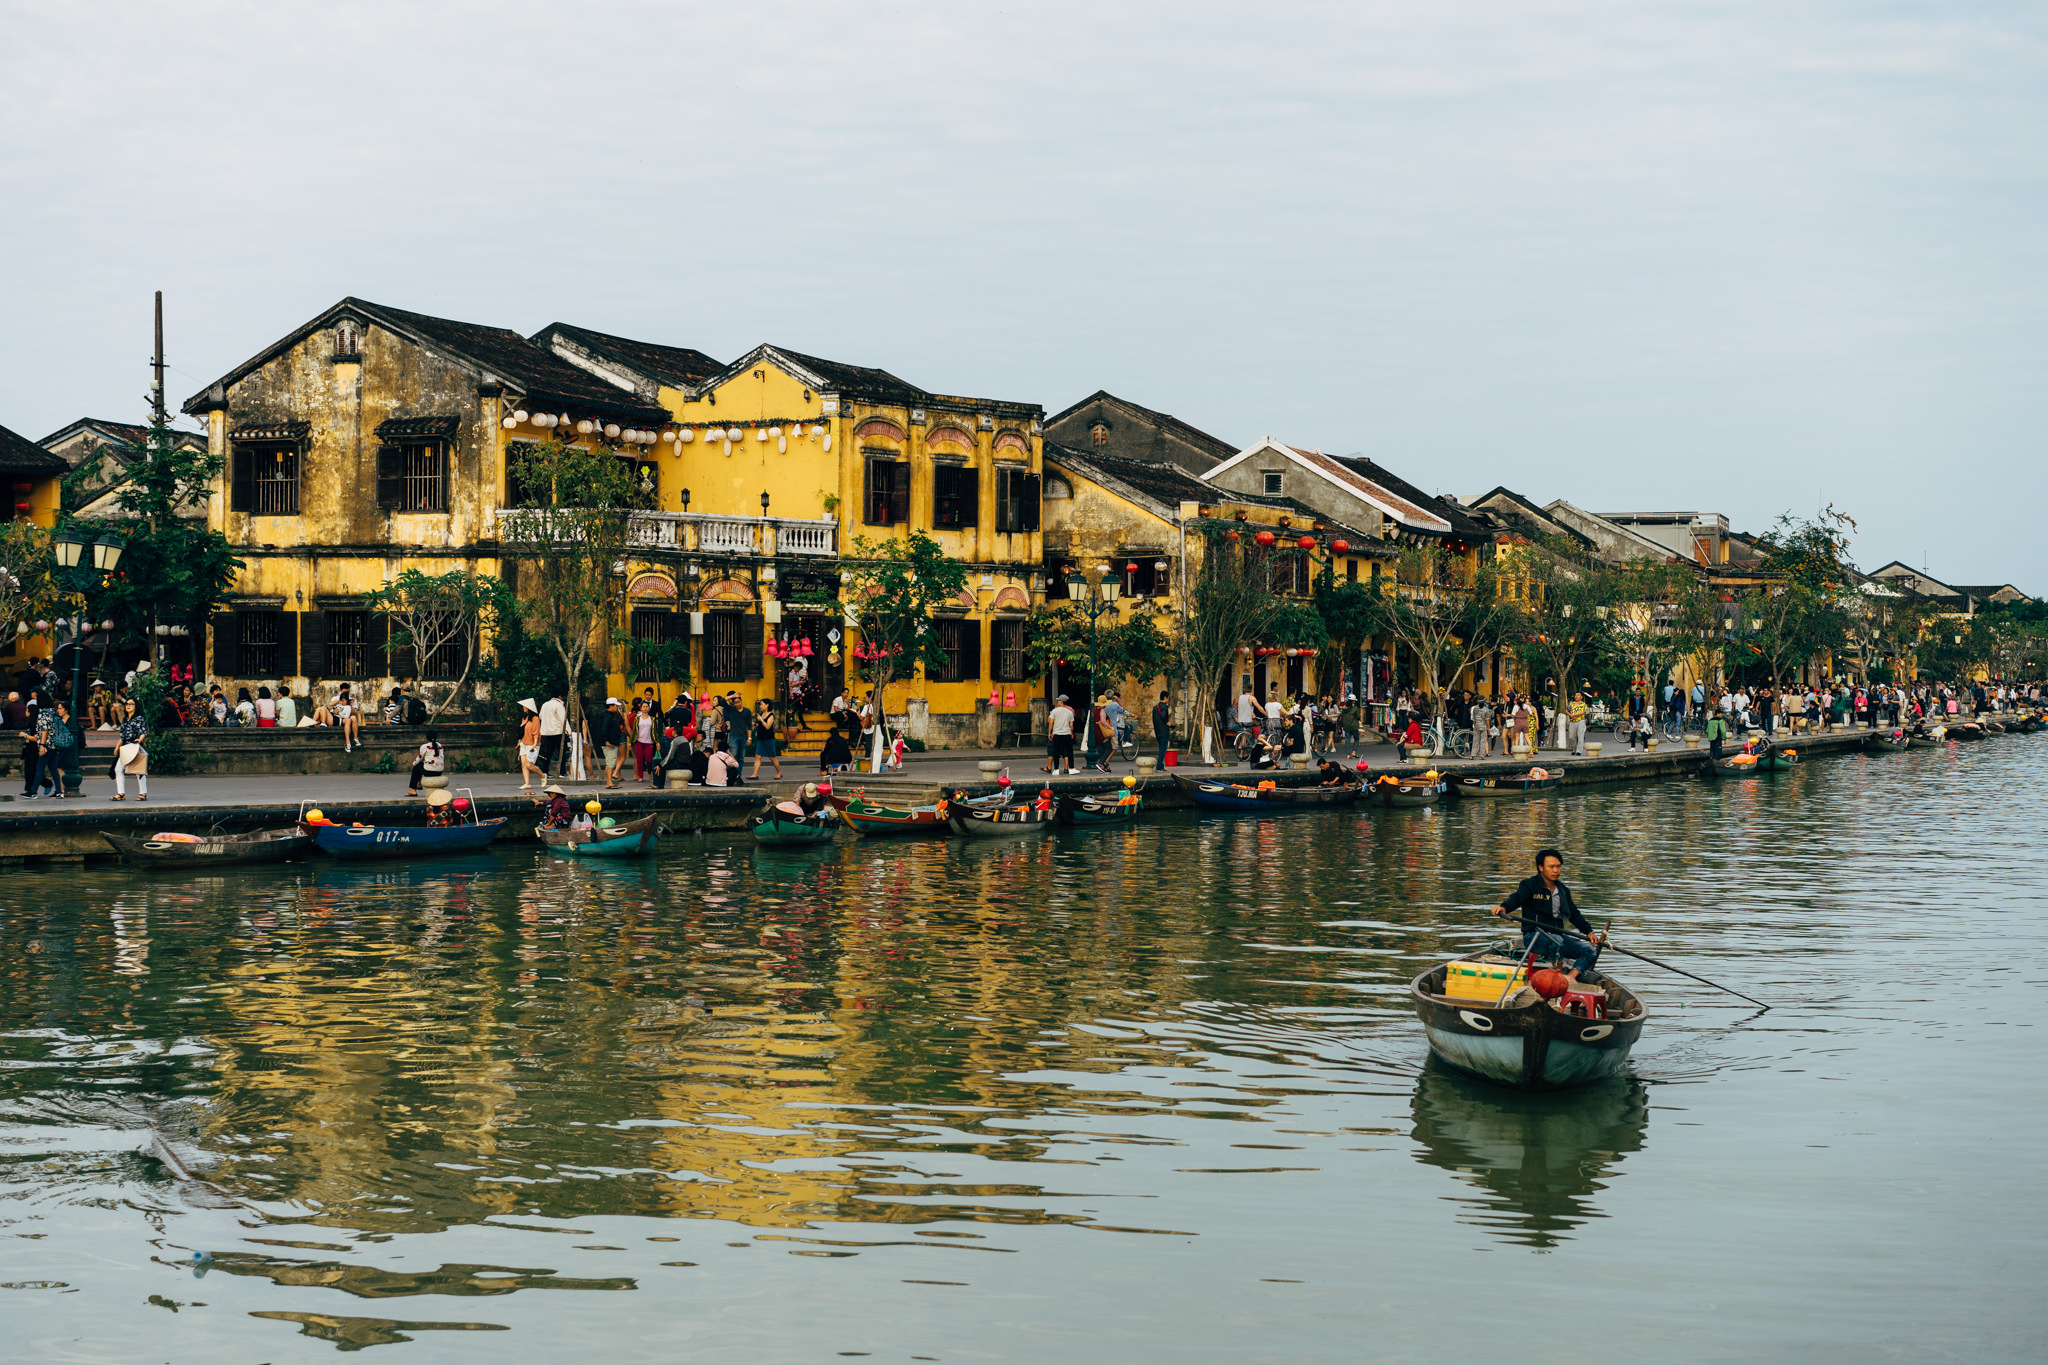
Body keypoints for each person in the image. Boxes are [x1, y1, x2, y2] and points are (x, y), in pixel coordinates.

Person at [1491, 848, 1606, 979]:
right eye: (1551, 867)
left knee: (1589, 951)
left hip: (1558, 936)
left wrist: (1588, 932)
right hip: (1534, 937)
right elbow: (1517, 898)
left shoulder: (1563, 890)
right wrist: (1503, 908)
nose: (1556, 870)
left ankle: (1570, 978)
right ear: (1541, 867)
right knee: (1557, 942)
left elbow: (1573, 913)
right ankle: (1560, 976)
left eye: (1558, 866)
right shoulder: (1530, 885)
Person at [110, 698, 149, 801]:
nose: (128, 706)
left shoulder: (139, 718)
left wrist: (139, 740)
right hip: (125, 747)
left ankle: (143, 793)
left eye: (131, 704)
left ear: (136, 706)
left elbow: (143, 732)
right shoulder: (125, 719)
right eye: (127, 704)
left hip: (134, 745)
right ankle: (121, 793)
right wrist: (117, 746)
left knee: (139, 770)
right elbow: (122, 736)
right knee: (118, 769)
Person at [405, 729, 446, 796]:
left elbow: (419, 758)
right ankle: (419, 784)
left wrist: (413, 764)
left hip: (429, 772)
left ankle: (413, 790)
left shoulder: (424, 746)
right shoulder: (440, 745)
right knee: (422, 765)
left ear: (427, 737)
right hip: (439, 771)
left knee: (417, 766)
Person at [598, 697, 627, 789]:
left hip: (612, 742)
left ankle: (609, 781)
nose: (616, 708)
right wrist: (607, 741)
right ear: (612, 706)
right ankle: (609, 782)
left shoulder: (609, 715)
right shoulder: (608, 716)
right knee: (610, 763)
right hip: (610, 743)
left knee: (610, 762)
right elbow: (604, 729)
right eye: (615, 706)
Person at [749, 699, 782, 780]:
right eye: (760, 704)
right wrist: (756, 724)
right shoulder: (761, 714)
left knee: (772, 757)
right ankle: (755, 774)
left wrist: (761, 720)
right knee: (757, 756)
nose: (760, 706)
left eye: (762, 704)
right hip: (760, 738)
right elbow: (761, 725)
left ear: (767, 705)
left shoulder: (771, 715)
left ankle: (779, 772)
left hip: (768, 739)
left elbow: (767, 726)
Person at [515, 699, 543, 789]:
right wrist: (519, 742)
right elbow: (521, 731)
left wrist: (534, 744)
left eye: (525, 706)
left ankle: (542, 775)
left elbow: (536, 732)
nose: (523, 708)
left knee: (529, 765)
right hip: (524, 743)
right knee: (523, 764)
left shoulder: (535, 719)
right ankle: (527, 783)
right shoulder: (525, 718)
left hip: (532, 744)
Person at [539, 690, 568, 776]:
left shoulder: (545, 705)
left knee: (548, 753)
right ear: (559, 696)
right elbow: (564, 719)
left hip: (547, 732)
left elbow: (540, 716)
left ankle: (545, 771)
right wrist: (568, 731)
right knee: (561, 753)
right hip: (558, 731)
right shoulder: (559, 705)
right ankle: (562, 772)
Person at [1048, 694, 1076, 774]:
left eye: (1059, 700)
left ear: (1062, 701)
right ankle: (1071, 768)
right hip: (1067, 734)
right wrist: (1071, 732)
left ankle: (1056, 769)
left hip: (1057, 733)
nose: (1057, 702)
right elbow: (1071, 725)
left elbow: (1050, 723)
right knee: (1069, 752)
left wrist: (1050, 732)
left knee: (1056, 752)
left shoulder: (1054, 711)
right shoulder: (1069, 712)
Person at [633, 699, 658, 782]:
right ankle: (640, 776)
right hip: (639, 741)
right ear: (641, 708)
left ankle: (650, 773)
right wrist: (630, 742)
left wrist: (657, 742)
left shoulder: (652, 719)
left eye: (646, 707)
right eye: (643, 706)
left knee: (649, 759)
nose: (645, 708)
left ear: (649, 708)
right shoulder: (637, 719)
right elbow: (634, 731)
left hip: (649, 741)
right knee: (639, 759)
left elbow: (655, 731)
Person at [1151, 691, 1171, 767]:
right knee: (1163, 749)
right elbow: (1163, 716)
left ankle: (1161, 765)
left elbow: (1154, 720)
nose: (1168, 699)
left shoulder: (1155, 708)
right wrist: (1167, 722)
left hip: (1157, 731)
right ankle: (1159, 766)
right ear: (1165, 698)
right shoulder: (1165, 707)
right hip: (1164, 731)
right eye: (1168, 698)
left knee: (1161, 748)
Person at [1567, 691, 1589, 757]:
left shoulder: (1583, 704)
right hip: (1572, 721)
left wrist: (1573, 715)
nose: (1576, 696)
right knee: (1571, 736)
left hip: (1581, 721)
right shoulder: (1571, 703)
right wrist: (1570, 715)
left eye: (1578, 695)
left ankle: (1579, 750)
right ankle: (1573, 749)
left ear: (1581, 697)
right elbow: (1566, 710)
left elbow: (1582, 712)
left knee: (1580, 736)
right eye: (1576, 695)